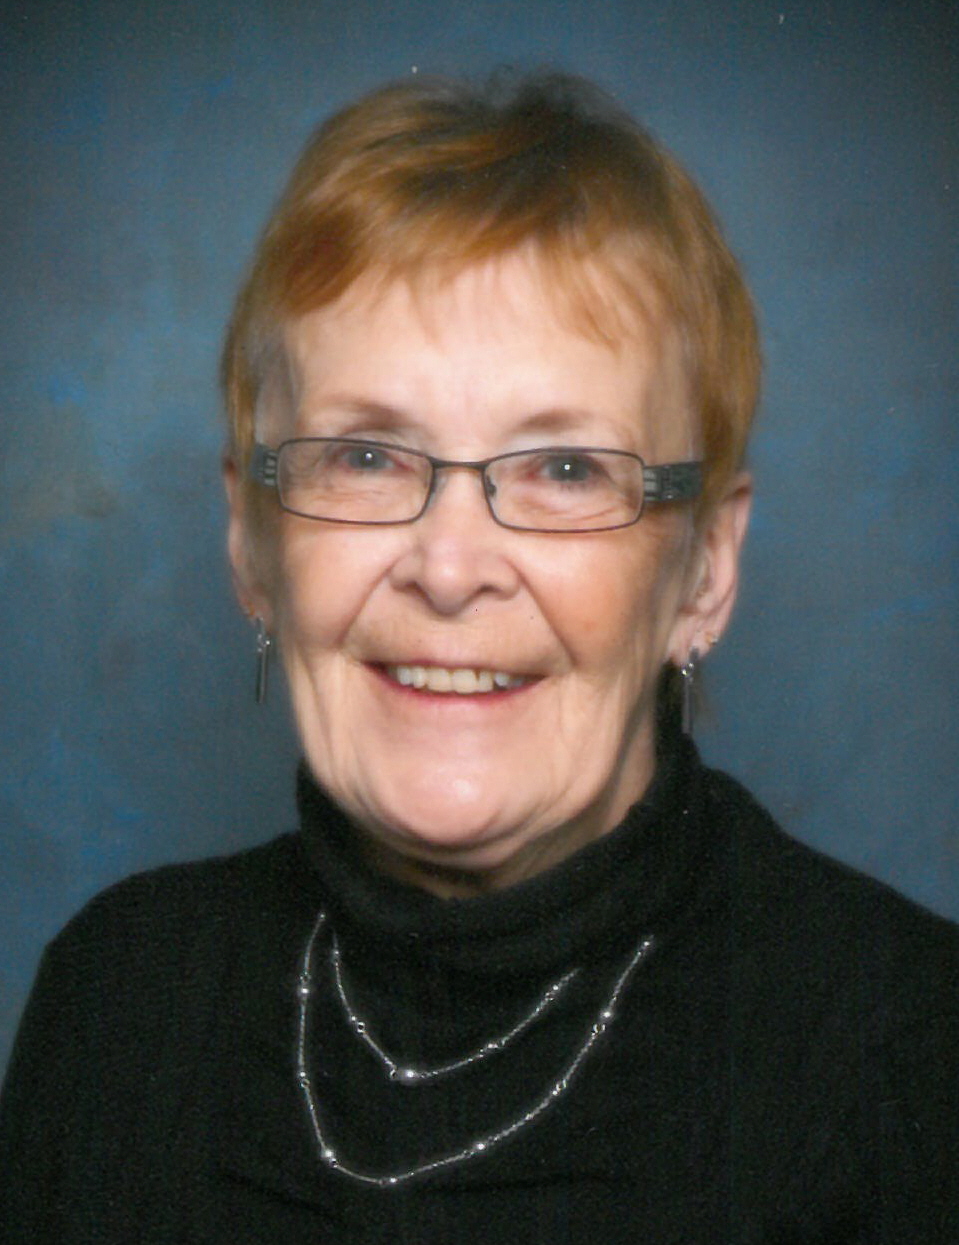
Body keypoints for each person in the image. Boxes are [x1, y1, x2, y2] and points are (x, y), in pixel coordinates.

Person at [1, 72, 956, 1243]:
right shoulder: (118, 1000)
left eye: (564, 469)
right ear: (252, 545)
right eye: (364, 457)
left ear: (703, 569)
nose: (449, 569)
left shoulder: (907, 1057)